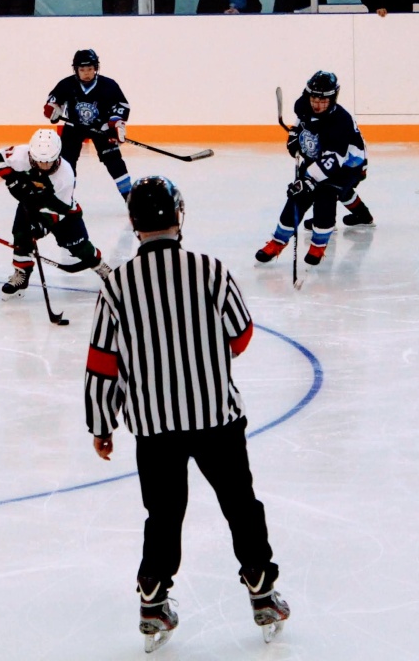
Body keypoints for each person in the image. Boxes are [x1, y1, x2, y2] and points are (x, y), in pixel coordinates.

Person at [85, 176, 289, 652]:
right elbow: (240, 335)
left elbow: (102, 362)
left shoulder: (116, 285)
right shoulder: (210, 271)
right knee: (241, 503)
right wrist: (205, 360)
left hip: (153, 426)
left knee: (163, 513)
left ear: (134, 223)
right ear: (179, 216)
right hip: (216, 416)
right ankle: (261, 586)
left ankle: (154, 597)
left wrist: (102, 423)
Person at [255, 71, 372, 286]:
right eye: (314, 99)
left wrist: (310, 180)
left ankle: (318, 246)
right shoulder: (303, 105)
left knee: (326, 195)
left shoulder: (341, 122)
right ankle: (278, 241)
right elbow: (301, 125)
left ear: (333, 98)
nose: (317, 104)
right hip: (318, 157)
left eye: (323, 100)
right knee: (297, 196)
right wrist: (294, 137)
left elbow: (333, 160)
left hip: (347, 165)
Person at [0, 127, 111, 298]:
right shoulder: (21, 154)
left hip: (62, 210)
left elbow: (60, 208)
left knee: (77, 245)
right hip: (30, 203)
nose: (45, 165)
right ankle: (22, 273)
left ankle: (100, 266)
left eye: (49, 161)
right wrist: (12, 180)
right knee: (21, 235)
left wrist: (42, 225)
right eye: (40, 161)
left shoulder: (66, 174)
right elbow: (0, 157)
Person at [44, 48, 133, 200]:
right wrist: (54, 109)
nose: (86, 72)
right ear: (76, 70)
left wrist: (115, 123)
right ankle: (65, 198)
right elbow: (53, 99)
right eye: (82, 69)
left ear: (96, 68)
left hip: (101, 129)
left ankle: (130, 198)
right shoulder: (67, 84)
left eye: (90, 69)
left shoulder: (108, 85)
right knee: (66, 164)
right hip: (74, 128)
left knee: (114, 162)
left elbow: (121, 105)